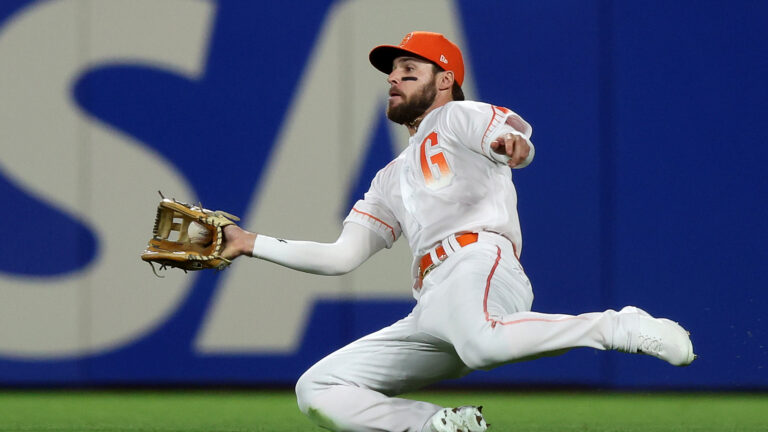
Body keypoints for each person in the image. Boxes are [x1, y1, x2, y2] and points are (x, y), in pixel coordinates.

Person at [222, 31, 695, 432]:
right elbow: (341, 257)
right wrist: (249, 244)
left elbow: (510, 139)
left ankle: (619, 326)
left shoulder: (455, 117)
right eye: (392, 72)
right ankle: (435, 426)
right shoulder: (388, 178)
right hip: (433, 304)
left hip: (480, 264)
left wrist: (513, 146)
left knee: (482, 342)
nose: (394, 78)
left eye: (410, 69)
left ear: (444, 79)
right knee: (318, 388)